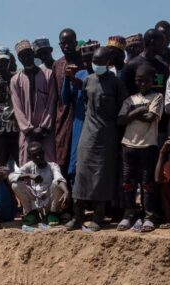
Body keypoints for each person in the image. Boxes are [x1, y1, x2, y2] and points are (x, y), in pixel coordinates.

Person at [68, 47, 128, 232]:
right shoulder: (88, 80)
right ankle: (77, 217)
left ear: (108, 63)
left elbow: (124, 107)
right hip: (87, 133)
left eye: (100, 62)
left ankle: (98, 216)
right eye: (95, 60)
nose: (96, 64)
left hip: (107, 135)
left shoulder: (115, 83)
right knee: (82, 174)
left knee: (101, 176)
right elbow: (86, 104)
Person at [118, 63, 164, 232]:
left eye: (145, 80)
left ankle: (149, 216)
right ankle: (129, 214)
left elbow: (151, 117)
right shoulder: (129, 99)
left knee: (147, 183)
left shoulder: (157, 97)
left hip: (148, 145)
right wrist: (138, 111)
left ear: (153, 80)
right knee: (128, 182)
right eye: (139, 80)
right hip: (128, 144)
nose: (142, 84)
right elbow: (120, 120)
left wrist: (132, 113)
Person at [11, 40, 58, 165]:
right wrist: (29, 130)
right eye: (23, 56)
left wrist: (43, 128)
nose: (26, 58)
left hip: (45, 132)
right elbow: (17, 108)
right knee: (27, 165)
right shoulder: (16, 80)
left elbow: (51, 103)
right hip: (28, 134)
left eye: (28, 54)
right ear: (19, 59)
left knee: (49, 164)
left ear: (33, 54)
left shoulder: (48, 75)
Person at [60, 41, 98, 188]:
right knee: (76, 161)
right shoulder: (79, 74)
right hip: (80, 124)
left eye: (92, 58)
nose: (88, 61)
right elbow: (65, 99)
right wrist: (68, 78)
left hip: (98, 126)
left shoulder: (106, 76)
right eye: (86, 58)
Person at [9, 141, 69, 226]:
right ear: (30, 157)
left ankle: (52, 213)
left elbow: (59, 178)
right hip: (35, 201)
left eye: (40, 154)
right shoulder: (29, 166)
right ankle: (31, 214)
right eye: (34, 156)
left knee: (57, 184)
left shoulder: (52, 166)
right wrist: (29, 176)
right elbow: (11, 176)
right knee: (15, 184)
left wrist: (66, 192)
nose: (38, 157)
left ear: (43, 153)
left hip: (49, 201)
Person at [53, 28, 83, 178]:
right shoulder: (57, 65)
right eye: (63, 43)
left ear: (75, 43)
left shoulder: (84, 61)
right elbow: (55, 96)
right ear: (59, 45)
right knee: (62, 155)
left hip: (81, 116)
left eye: (70, 43)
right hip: (62, 116)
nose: (66, 46)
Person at [121, 29, 169, 97]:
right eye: (161, 43)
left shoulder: (163, 66)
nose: (164, 46)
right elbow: (123, 94)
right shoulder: (131, 66)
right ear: (152, 42)